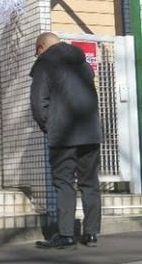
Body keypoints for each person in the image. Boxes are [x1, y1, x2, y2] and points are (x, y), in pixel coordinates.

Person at [30, 32, 102, 249]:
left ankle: (66, 235)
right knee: (90, 183)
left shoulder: (45, 63)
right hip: (90, 131)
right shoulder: (82, 63)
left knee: (64, 182)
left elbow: (38, 102)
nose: (37, 55)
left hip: (63, 133)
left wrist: (48, 126)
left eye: (37, 52)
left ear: (42, 47)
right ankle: (91, 234)